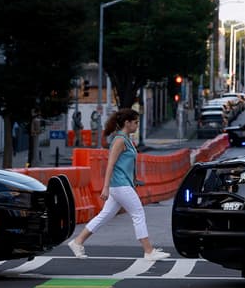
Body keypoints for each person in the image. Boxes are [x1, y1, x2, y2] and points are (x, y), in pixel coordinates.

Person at [66, 109, 169, 261]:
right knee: (138, 213)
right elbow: (111, 164)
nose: (137, 125)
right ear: (127, 123)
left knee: (105, 215)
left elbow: (127, 163)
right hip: (120, 185)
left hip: (122, 184)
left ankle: (77, 241)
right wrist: (105, 187)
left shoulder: (126, 139)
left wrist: (134, 179)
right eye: (135, 122)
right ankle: (148, 251)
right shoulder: (119, 140)